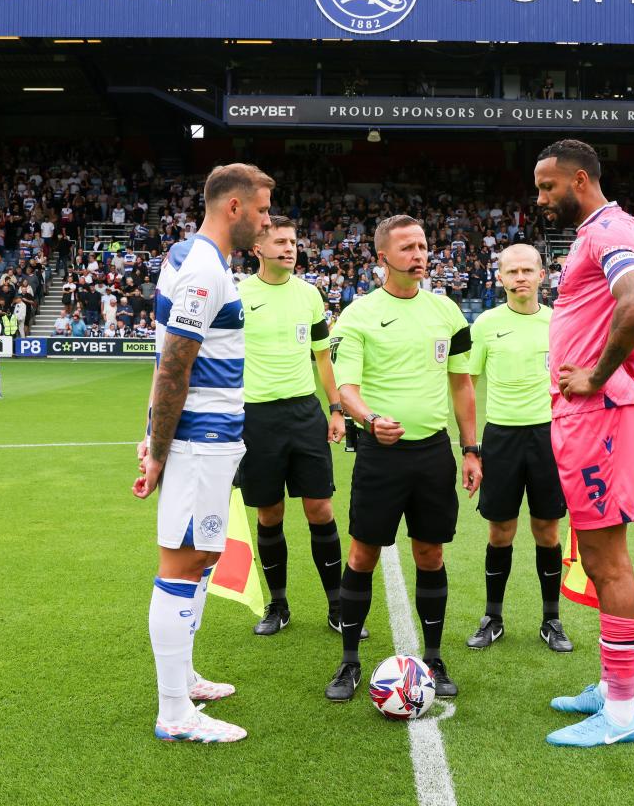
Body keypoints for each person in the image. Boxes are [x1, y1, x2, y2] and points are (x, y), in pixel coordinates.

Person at [133, 162, 274, 744]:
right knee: (184, 562)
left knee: (202, 557)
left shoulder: (190, 256)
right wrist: (160, 448)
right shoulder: (202, 270)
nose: (266, 224)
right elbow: (174, 365)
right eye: (262, 211)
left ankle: (183, 678)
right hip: (198, 441)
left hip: (205, 439)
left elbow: (171, 353)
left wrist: (152, 434)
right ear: (234, 208)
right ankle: (175, 714)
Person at [323, 215, 482, 703]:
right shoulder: (357, 316)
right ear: (382, 259)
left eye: (423, 245)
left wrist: (471, 448)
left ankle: (432, 657)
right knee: (362, 554)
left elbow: (462, 385)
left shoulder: (448, 313)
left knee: (430, 554)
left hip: (433, 452)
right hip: (380, 452)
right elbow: (345, 387)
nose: (419, 254)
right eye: (408, 247)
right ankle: (350, 662)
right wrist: (371, 421)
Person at [533, 139, 634, 748]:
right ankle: (610, 688)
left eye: (547, 186)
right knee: (601, 554)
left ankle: (622, 714)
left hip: (598, 412)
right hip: (587, 415)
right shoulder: (595, 233)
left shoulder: (612, 229)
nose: (540, 197)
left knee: (608, 561)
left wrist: (597, 376)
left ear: (579, 179)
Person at [237, 216, 358, 639]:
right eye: (281, 242)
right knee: (270, 513)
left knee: (319, 509)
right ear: (258, 248)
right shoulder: (238, 294)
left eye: (293, 242)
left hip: (305, 414)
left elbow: (323, 357)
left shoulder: (309, 295)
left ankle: (338, 606)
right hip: (256, 418)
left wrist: (336, 408)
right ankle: (279, 604)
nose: (290, 248)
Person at [464, 244, 572, 653]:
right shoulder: (486, 324)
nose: (521, 277)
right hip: (502, 438)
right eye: (513, 271)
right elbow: (467, 389)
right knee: (501, 531)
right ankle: (493, 617)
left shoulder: (560, 322)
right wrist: (471, 447)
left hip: (549, 437)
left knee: (547, 531)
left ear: (542, 276)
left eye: (528, 269)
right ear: (500, 278)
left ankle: (551, 620)